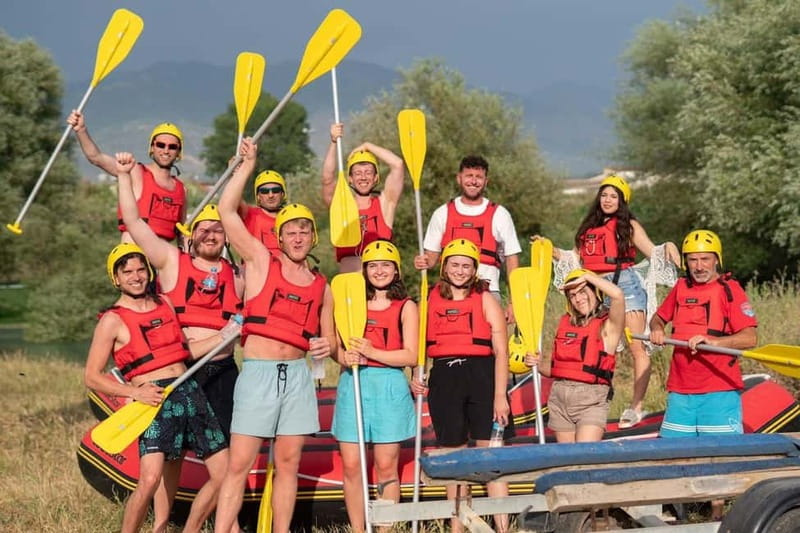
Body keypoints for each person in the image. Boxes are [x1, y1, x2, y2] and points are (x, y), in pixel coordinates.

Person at [115, 152, 243, 531]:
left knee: (225, 461)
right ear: (192, 236)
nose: (210, 234)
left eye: (217, 230)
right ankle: (162, 523)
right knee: (169, 459)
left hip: (223, 373)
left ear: (225, 236)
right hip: (183, 372)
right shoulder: (171, 260)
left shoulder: (239, 275)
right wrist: (124, 176)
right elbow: (136, 223)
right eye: (202, 229)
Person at [214, 138, 335, 533]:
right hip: (260, 373)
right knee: (239, 464)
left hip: (298, 377)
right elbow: (226, 211)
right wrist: (246, 167)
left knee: (288, 464)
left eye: (304, 231)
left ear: (312, 236)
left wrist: (325, 345)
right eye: (291, 232)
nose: (298, 237)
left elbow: (329, 342)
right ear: (279, 237)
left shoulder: (322, 284)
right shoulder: (261, 261)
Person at [84, 243, 230, 533]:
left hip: (189, 391)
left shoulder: (165, 303)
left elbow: (185, 351)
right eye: (127, 272)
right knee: (150, 480)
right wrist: (134, 393)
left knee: (225, 473)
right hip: (153, 401)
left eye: (140, 269)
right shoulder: (112, 321)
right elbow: (91, 376)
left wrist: (226, 335)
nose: (136, 276)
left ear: (149, 271)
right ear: (116, 278)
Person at [534, 174, 680, 428]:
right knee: (599, 346)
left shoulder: (629, 226)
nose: (608, 200)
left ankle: (637, 407)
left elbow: (653, 251)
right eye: (604, 195)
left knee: (637, 347)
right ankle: (599, 398)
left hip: (626, 285)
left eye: (614, 196)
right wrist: (548, 248)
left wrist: (669, 246)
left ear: (622, 200)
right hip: (594, 290)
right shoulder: (588, 229)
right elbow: (573, 259)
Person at [411, 238, 511, 533]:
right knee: (453, 456)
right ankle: (458, 527)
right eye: (454, 264)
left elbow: (501, 351)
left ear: (475, 269)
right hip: (444, 378)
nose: (460, 270)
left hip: (481, 376)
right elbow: (416, 347)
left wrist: (500, 396)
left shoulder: (485, 298)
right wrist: (415, 375)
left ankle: (501, 526)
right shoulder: (428, 298)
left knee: (490, 455)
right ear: (444, 267)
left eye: (466, 265)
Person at [331, 240, 418, 532]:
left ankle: (384, 529)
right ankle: (359, 529)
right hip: (353, 383)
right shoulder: (350, 304)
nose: (379, 271)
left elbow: (411, 355)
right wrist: (343, 355)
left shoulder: (406, 307)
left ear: (396, 270)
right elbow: (336, 348)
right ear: (364, 270)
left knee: (385, 466)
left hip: (389, 387)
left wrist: (372, 352)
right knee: (352, 466)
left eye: (385, 265)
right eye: (373, 266)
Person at [649, 230, 758, 437]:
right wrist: (656, 329)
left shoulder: (730, 289)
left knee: (721, 457)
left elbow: (750, 338)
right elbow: (658, 318)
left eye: (705, 259)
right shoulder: (681, 286)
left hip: (719, 391)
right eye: (693, 260)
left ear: (716, 259)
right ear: (686, 262)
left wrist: (713, 342)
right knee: (674, 456)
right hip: (680, 391)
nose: (699, 266)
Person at [524, 269, 626, 443]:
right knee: (568, 460)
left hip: (591, 400)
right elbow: (556, 370)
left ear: (595, 292)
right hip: (559, 398)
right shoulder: (565, 324)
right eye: (572, 295)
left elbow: (618, 295)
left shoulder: (609, 326)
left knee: (585, 456)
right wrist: (537, 363)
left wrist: (587, 277)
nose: (578, 299)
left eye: (582, 292)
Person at [414, 156, 521, 320]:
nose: (474, 181)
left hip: (488, 291)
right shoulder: (442, 213)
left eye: (479, 177)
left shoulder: (500, 214)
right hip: (449, 291)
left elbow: (512, 260)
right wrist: (423, 261)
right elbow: (432, 259)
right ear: (459, 178)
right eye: (469, 176)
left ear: (486, 181)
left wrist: (514, 303)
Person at [67, 110, 186, 243]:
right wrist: (81, 130)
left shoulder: (181, 190)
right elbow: (96, 158)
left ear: (178, 152)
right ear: (152, 147)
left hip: (162, 260)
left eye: (172, 147)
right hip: (133, 255)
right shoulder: (135, 171)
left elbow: (182, 234)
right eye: (160, 145)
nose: (165, 150)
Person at [322, 123, 405, 272]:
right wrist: (334, 142)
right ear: (350, 179)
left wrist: (367, 146)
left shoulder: (385, 203)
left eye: (368, 172)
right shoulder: (341, 207)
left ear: (375, 178)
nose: (363, 177)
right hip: (351, 284)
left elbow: (397, 164)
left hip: (380, 281)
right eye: (358, 173)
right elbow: (327, 180)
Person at [239, 169, 288, 256]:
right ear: (258, 196)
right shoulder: (250, 214)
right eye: (264, 191)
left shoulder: (291, 217)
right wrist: (235, 175)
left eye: (275, 190)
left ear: (282, 194)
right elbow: (233, 200)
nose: (270, 195)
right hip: (258, 268)